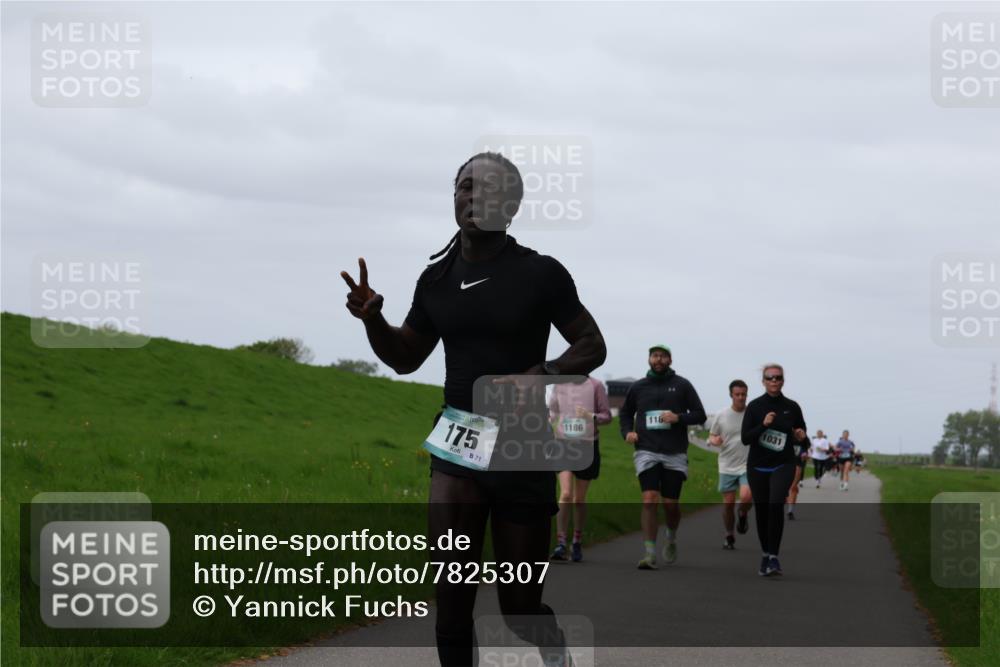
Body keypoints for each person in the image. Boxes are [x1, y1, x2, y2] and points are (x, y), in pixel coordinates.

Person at [341, 151, 606, 667]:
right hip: (459, 439)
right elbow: (404, 357)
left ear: (510, 206)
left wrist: (545, 373)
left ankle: (556, 652)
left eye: (487, 190)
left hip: (524, 442)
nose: (472, 196)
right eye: (464, 186)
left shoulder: (541, 273)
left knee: (520, 609)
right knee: (452, 603)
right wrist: (375, 322)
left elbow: (591, 344)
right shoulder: (436, 279)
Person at [620, 344, 706, 569]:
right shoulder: (639, 387)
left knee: (670, 505)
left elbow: (699, 414)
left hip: (674, 452)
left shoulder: (682, 385)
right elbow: (626, 413)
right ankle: (649, 553)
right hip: (646, 450)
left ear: (670, 360)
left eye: (663, 356)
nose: (658, 360)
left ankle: (671, 536)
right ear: (649, 359)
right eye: (654, 356)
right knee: (649, 499)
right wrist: (627, 432)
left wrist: (678, 418)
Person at [741, 363, 807, 577]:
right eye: (770, 378)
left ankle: (774, 558)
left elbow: (802, 434)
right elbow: (745, 438)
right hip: (758, 465)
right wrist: (764, 425)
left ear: (783, 381)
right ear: (763, 381)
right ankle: (765, 554)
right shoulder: (754, 406)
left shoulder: (792, 406)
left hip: (783, 463)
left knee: (776, 503)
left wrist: (801, 435)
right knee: (762, 510)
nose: (774, 381)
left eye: (778, 378)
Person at [547, 376, 612, 562]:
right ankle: (561, 543)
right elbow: (552, 409)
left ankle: (576, 540)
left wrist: (590, 416)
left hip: (587, 446)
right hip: (563, 444)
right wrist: (549, 421)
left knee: (579, 499)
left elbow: (607, 416)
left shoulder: (596, 385)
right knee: (565, 494)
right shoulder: (559, 385)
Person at [707, 380, 753, 550]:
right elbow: (711, 436)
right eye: (737, 394)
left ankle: (742, 513)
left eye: (743, 394)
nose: (741, 398)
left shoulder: (752, 413)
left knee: (747, 496)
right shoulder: (721, 415)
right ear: (731, 395)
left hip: (747, 463)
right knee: (728, 504)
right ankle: (729, 534)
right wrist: (715, 440)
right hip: (726, 464)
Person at [785, 435, 809, 520]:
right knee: (782, 487)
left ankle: (790, 511)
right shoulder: (783, 431)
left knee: (793, 487)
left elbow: (805, 449)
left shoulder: (803, 435)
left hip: (797, 463)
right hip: (782, 463)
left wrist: (804, 454)